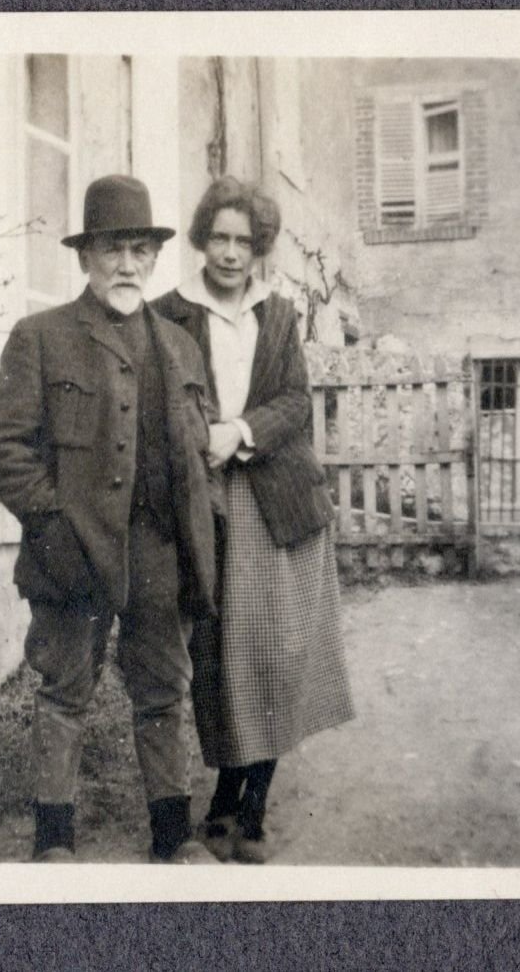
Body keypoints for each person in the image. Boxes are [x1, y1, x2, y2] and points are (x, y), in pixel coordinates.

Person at [0, 174, 222, 864]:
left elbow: (196, 458)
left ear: (153, 260)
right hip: (73, 550)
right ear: (85, 259)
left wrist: (199, 542)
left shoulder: (180, 347)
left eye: (140, 251)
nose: (126, 265)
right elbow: (2, 445)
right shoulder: (41, 337)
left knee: (160, 695)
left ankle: (174, 838)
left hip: (157, 553)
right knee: (64, 693)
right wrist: (51, 527)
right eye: (112, 250)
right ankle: (55, 842)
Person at [152, 176, 356, 864]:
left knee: (275, 655)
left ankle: (254, 807)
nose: (232, 253)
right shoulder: (170, 314)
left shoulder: (279, 314)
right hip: (208, 504)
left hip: (280, 504)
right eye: (220, 238)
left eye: (244, 241)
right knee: (220, 659)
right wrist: (198, 437)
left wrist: (236, 428)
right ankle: (221, 796)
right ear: (202, 240)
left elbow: (296, 400)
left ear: (260, 247)